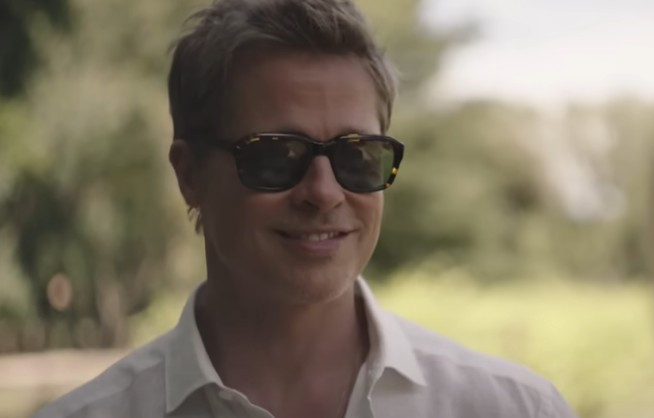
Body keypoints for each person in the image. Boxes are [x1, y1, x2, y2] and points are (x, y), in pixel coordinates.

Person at [31, 0, 578, 417]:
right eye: (276, 155)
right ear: (190, 174)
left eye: (357, 155)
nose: (324, 192)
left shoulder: (514, 409)